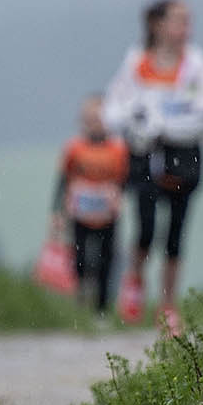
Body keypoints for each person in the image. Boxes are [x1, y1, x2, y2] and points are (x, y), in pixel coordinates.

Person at [102, 0, 203, 337]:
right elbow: (114, 108)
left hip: (184, 154)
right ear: (158, 25)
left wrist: (176, 118)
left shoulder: (195, 64)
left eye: (188, 21)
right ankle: (135, 280)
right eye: (179, 20)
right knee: (145, 225)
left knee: (176, 231)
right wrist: (137, 118)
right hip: (145, 154)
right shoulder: (137, 62)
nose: (186, 28)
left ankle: (168, 305)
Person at [50, 94, 128, 316]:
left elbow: (125, 179)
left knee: (106, 259)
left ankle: (101, 310)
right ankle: (82, 292)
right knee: (80, 257)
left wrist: (118, 195)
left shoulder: (118, 149)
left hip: (107, 214)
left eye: (99, 119)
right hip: (80, 213)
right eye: (90, 119)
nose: (95, 124)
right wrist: (56, 212)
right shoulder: (74, 148)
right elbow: (63, 179)